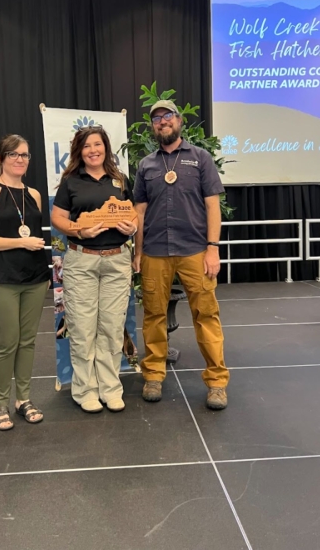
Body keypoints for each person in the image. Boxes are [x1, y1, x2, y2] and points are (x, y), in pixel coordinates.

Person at [132, 100, 230, 410]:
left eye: (167, 116)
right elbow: (140, 211)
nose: (162, 122)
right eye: (156, 119)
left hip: (195, 251)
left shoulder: (200, 159)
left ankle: (216, 382)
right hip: (155, 252)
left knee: (206, 316)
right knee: (153, 316)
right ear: (153, 127)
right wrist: (137, 252)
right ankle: (154, 375)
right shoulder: (146, 165)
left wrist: (213, 248)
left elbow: (213, 206)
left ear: (178, 121)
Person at [50, 126, 136, 414]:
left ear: (106, 148)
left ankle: (111, 389)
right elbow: (58, 218)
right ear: (79, 151)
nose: (93, 150)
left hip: (117, 261)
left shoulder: (120, 180)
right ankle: (85, 390)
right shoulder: (71, 182)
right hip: (82, 260)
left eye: (97, 145)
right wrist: (80, 230)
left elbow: (133, 214)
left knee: (111, 328)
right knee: (83, 329)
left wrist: (132, 227)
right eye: (87, 146)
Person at [0, 134, 50, 431]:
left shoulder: (34, 194)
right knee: (6, 344)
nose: (20, 159)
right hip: (1, 280)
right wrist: (21, 244)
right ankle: (0, 405)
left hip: (34, 278)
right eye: (13, 154)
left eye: (25, 155)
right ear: (0, 158)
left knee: (28, 342)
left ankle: (24, 400)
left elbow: (32, 237)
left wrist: (37, 262)